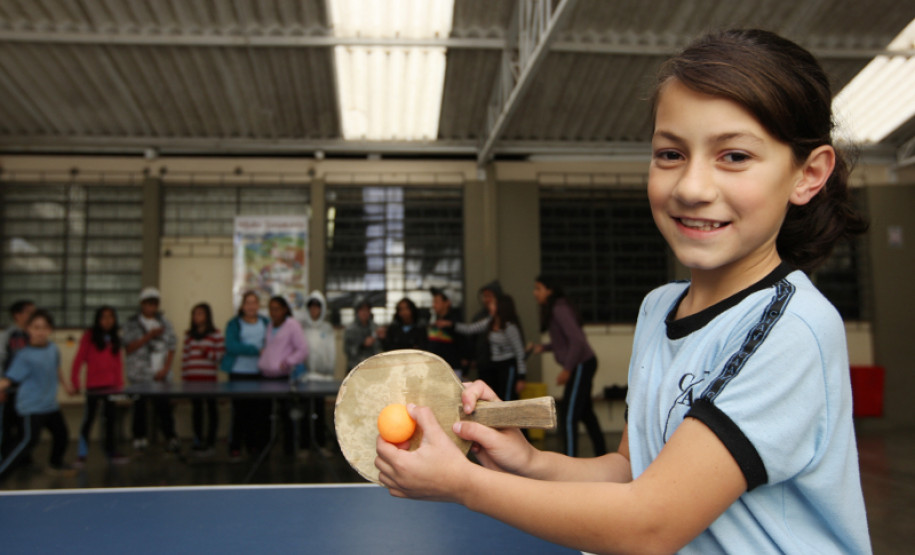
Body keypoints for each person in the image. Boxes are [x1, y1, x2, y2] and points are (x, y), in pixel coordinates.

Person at [375, 29, 871, 553]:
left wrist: (465, 484)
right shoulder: (658, 308)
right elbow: (633, 472)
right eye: (670, 154)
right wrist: (528, 462)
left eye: (734, 157)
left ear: (808, 174)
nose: (691, 187)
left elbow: (650, 522)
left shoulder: (791, 330)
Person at [530, 276, 606, 457]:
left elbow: (578, 341)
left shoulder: (559, 309)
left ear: (549, 291)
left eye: (538, 288)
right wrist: (545, 347)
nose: (535, 293)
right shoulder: (556, 308)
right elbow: (565, 341)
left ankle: (570, 459)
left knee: (569, 416)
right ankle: (603, 454)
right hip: (582, 363)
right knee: (586, 413)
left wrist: (567, 369)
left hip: (581, 363)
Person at [0, 309, 75, 477]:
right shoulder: (24, 356)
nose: (40, 331)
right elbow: (7, 380)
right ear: (28, 330)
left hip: (50, 405)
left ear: (50, 330)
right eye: (36, 327)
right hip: (31, 407)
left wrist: (66, 385)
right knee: (27, 442)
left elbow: (56, 369)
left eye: (44, 327)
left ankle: (55, 464)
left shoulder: (53, 349)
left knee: (61, 434)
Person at [123, 287, 179, 453]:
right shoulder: (131, 323)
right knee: (139, 406)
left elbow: (172, 346)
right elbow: (128, 348)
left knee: (164, 407)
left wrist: (166, 368)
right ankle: (139, 437)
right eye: (148, 303)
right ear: (142, 304)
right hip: (139, 374)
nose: (151, 307)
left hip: (161, 374)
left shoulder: (165, 323)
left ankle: (171, 437)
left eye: (154, 303)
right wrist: (149, 336)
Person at [70, 306, 127, 465]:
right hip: (93, 387)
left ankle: (111, 452)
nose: (107, 320)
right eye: (103, 317)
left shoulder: (115, 337)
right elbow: (78, 360)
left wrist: (119, 385)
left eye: (111, 317)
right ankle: (82, 454)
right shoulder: (89, 336)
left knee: (110, 420)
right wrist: (75, 381)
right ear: (97, 319)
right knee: (88, 419)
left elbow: (118, 364)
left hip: (111, 387)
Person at [449, 294, 526, 402]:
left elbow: (519, 353)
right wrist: (452, 325)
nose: (490, 306)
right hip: (494, 365)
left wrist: (521, 378)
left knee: (507, 398)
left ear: (501, 307)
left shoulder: (510, 327)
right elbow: (471, 329)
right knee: (495, 396)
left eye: (493, 304)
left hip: (508, 367)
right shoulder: (490, 322)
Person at [220, 290, 269, 461]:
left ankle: (253, 446)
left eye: (254, 302)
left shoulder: (265, 322)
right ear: (242, 306)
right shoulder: (234, 324)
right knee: (240, 412)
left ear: (258, 305)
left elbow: (272, 343)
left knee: (257, 413)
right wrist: (255, 350)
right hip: (239, 374)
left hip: (260, 374)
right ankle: (235, 447)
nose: (251, 306)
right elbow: (232, 346)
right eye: (247, 303)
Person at [259, 296, 308, 455]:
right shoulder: (270, 325)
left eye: (276, 308)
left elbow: (302, 350)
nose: (273, 312)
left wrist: (287, 362)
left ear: (285, 309)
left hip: (283, 377)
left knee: (287, 414)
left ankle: (290, 450)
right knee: (265, 414)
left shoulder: (292, 325)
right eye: (271, 308)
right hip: (266, 376)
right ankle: (264, 449)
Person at [181, 303, 225, 456]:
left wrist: (207, 352)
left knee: (212, 410)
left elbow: (220, 356)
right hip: (193, 380)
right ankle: (198, 439)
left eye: (200, 313)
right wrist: (184, 378)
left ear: (207, 316)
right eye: (195, 314)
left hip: (209, 380)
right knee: (197, 410)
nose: (197, 317)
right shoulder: (189, 335)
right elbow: (185, 358)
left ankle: (211, 441)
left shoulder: (215, 334)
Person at [299, 291, 336, 458]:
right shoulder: (301, 327)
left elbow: (331, 352)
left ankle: (321, 444)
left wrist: (329, 372)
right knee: (305, 411)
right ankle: (304, 446)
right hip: (305, 378)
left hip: (322, 378)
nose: (314, 311)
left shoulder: (327, 328)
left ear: (322, 309)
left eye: (317, 307)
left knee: (320, 412)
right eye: (311, 307)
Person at [0, 299, 35, 459]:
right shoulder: (7, 335)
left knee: (26, 427)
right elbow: (1, 360)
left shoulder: (33, 334)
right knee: (8, 426)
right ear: (17, 315)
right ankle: (7, 459)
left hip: (30, 390)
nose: (33, 315)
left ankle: (24, 458)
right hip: (11, 389)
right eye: (29, 312)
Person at [425, 287, 465, 378]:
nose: (433, 305)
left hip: (452, 369)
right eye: (433, 302)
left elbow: (463, 343)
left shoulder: (455, 323)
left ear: (447, 303)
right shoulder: (433, 320)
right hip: (434, 368)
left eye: (436, 302)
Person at [343, 297, 382, 370]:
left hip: (373, 368)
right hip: (355, 368)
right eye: (362, 310)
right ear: (357, 311)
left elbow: (379, 349)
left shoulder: (375, 327)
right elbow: (347, 350)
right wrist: (363, 344)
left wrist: (383, 338)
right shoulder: (350, 329)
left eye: (367, 310)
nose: (364, 312)